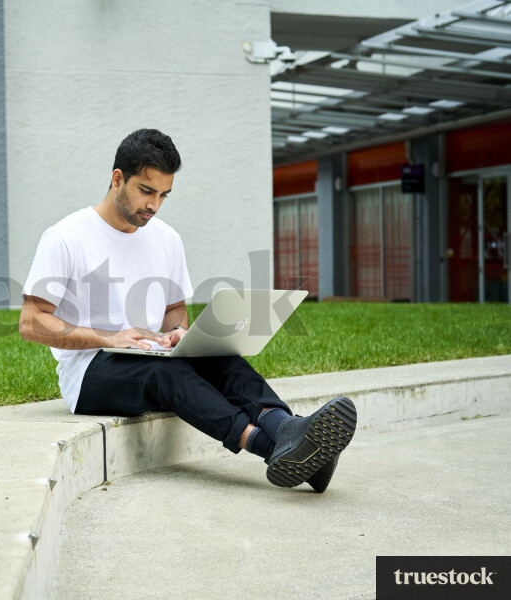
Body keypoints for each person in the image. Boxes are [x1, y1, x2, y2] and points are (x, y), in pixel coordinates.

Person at [18, 128, 356, 492]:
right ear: (117, 179)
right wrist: (110, 337)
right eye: (146, 191)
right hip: (89, 372)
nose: (154, 205)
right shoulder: (66, 237)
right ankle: (274, 448)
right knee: (166, 375)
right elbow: (31, 322)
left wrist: (179, 334)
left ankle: (287, 433)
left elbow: (174, 308)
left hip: (152, 353)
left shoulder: (166, 239)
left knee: (220, 359)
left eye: (164, 195)